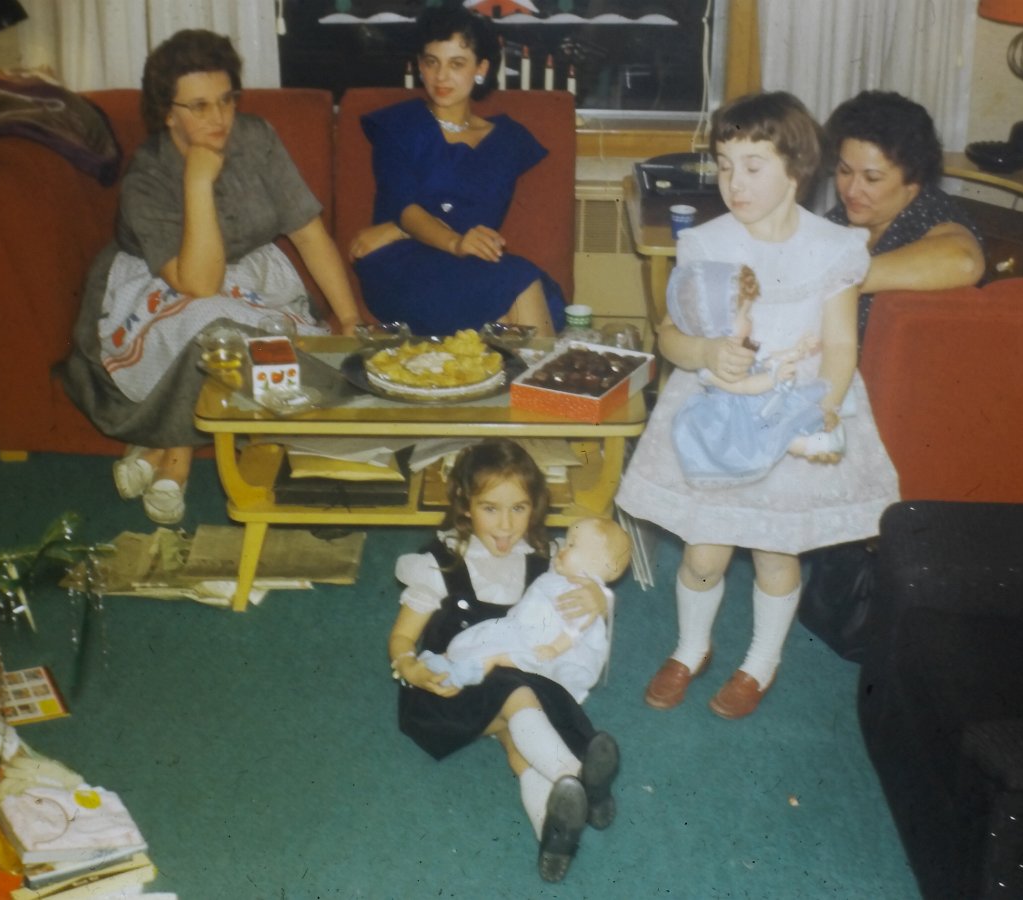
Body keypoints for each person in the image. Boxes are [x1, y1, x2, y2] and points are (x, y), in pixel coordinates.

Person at [614, 92, 900, 721]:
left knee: (776, 551)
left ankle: (760, 661)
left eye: (751, 166)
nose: (733, 183)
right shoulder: (706, 243)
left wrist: (825, 407)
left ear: (796, 169)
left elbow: (840, 344)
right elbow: (670, 335)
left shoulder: (834, 247)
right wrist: (704, 350)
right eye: (724, 165)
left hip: (792, 415)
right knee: (704, 552)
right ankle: (691, 647)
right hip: (719, 417)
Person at [58, 29, 360, 524]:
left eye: (226, 99)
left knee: (276, 346)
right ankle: (175, 456)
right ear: (167, 113)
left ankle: (159, 444)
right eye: (198, 106)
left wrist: (347, 319)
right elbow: (199, 284)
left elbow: (308, 234)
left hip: (252, 278)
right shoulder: (148, 176)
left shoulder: (256, 137)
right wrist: (198, 180)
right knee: (209, 321)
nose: (219, 118)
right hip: (162, 287)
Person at [388, 440, 617, 882]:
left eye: (519, 508)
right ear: (465, 504)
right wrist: (410, 666)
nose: (507, 525)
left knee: (520, 742)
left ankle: (553, 836)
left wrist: (598, 598)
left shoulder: (548, 560)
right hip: (449, 691)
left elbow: (593, 591)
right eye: (490, 508)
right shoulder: (441, 564)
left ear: (535, 507)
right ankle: (578, 775)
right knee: (518, 692)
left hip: (511, 684)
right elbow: (402, 637)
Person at [348, 6, 565, 337]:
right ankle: (546, 373)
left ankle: (529, 372)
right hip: (399, 267)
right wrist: (452, 241)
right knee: (519, 281)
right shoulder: (399, 126)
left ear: (481, 68)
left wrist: (395, 229)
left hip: (465, 263)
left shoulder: (507, 141)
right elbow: (405, 209)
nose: (441, 76)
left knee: (520, 286)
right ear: (420, 65)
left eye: (456, 64)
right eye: (431, 62)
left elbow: (479, 217)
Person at [823, 90, 986, 344]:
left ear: (913, 180)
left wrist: (846, 279)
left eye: (872, 178)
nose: (851, 190)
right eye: (844, 171)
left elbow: (965, 261)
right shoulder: (845, 216)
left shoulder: (929, 212)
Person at [420, 516, 631, 703]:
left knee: (495, 652)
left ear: (597, 562)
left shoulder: (581, 593)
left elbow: (575, 629)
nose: (563, 548)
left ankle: (458, 674)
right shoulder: (562, 575)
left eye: (572, 545)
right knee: (484, 634)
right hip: (523, 627)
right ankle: (448, 657)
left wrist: (555, 648)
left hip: (546, 645)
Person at [669, 262, 832, 486]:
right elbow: (742, 386)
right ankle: (810, 445)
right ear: (720, 325)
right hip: (733, 418)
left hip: (753, 402)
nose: (751, 320)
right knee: (771, 433)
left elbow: (766, 358)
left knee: (790, 410)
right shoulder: (711, 367)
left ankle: (814, 438)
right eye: (745, 314)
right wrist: (773, 378)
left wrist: (797, 350)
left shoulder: (746, 344)